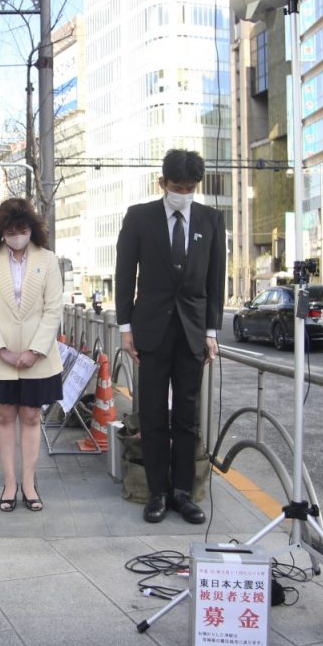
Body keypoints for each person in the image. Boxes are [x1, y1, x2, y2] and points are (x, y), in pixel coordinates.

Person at [115, 148, 226, 525]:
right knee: (152, 413)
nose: (184, 192)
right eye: (177, 186)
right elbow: (124, 274)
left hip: (193, 330)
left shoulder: (211, 219)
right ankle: (156, 491)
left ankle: (183, 491)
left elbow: (214, 279)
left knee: (187, 415)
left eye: (190, 187)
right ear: (162, 183)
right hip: (151, 329)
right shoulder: (139, 217)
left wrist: (212, 331)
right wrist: (125, 328)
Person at [0, 198, 64, 513]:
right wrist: (3, 351)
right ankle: (9, 482)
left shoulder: (48, 260)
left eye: (22, 229)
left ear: (31, 229)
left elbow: (53, 310)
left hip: (39, 357)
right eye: (10, 230)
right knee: (4, 415)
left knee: (30, 416)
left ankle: (29, 482)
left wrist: (35, 350)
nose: (16, 235)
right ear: (0, 231)